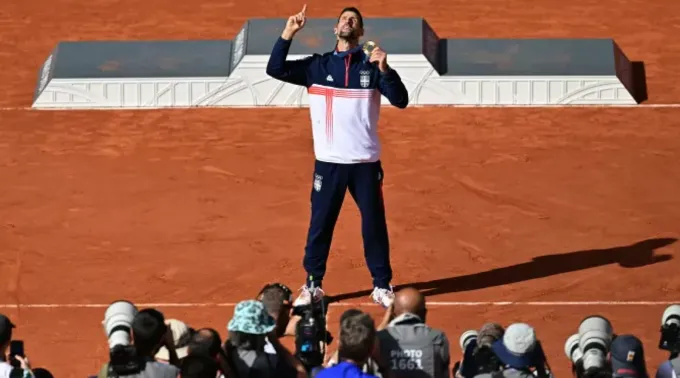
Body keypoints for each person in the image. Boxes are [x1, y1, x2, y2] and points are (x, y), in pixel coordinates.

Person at [266, 4, 409, 309]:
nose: (347, 22)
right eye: (344, 19)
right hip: (329, 163)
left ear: (360, 32)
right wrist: (288, 33)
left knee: (373, 224)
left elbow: (401, 100)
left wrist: (386, 69)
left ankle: (382, 286)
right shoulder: (316, 67)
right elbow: (275, 69)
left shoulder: (371, 66)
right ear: (336, 29)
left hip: (365, 165)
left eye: (353, 20)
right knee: (321, 224)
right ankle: (313, 284)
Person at [376, 288, 451, 378]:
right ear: (424, 313)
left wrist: (385, 321)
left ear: (393, 314)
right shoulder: (437, 338)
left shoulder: (380, 339)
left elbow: (372, 344)